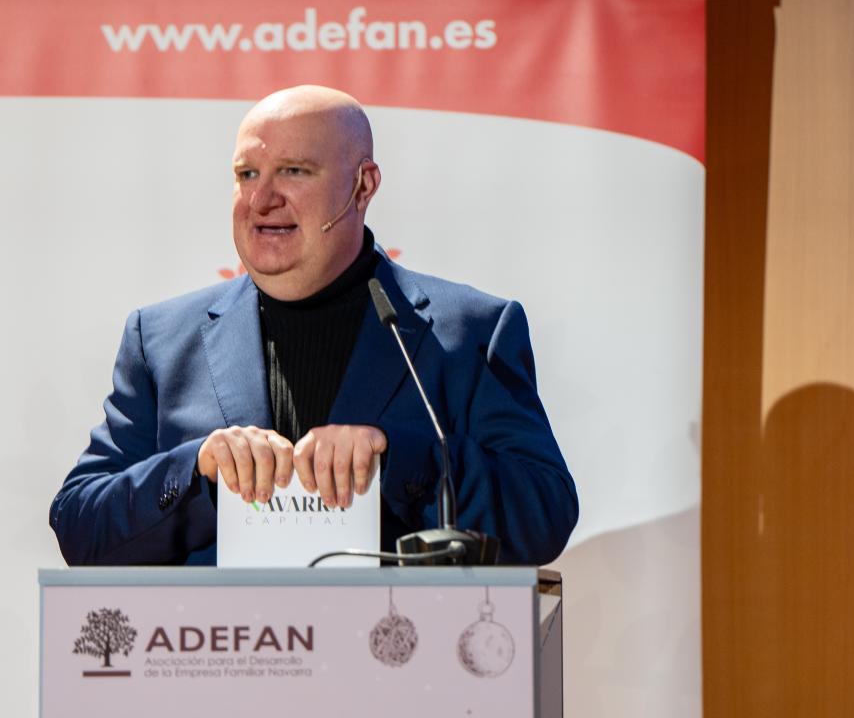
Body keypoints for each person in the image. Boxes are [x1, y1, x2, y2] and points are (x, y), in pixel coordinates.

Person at [50, 85, 577, 566]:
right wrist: (197, 471)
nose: (261, 199)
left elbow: (543, 515)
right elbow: (80, 527)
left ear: (363, 185)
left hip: (400, 639)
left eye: (294, 171)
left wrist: (397, 457)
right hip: (214, 641)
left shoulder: (470, 331)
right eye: (247, 174)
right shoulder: (162, 339)